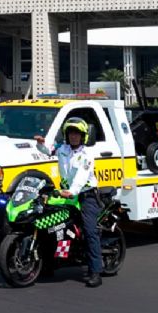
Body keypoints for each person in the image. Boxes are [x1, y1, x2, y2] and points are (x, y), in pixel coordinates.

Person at [34, 117, 102, 287]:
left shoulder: (87, 155)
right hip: (65, 194)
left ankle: (95, 271)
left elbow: (82, 177)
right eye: (71, 133)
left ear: (83, 136)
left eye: (77, 133)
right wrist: (41, 144)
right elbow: (48, 150)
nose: (73, 136)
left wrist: (72, 192)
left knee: (89, 230)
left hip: (86, 195)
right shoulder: (62, 149)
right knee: (48, 224)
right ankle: (48, 266)